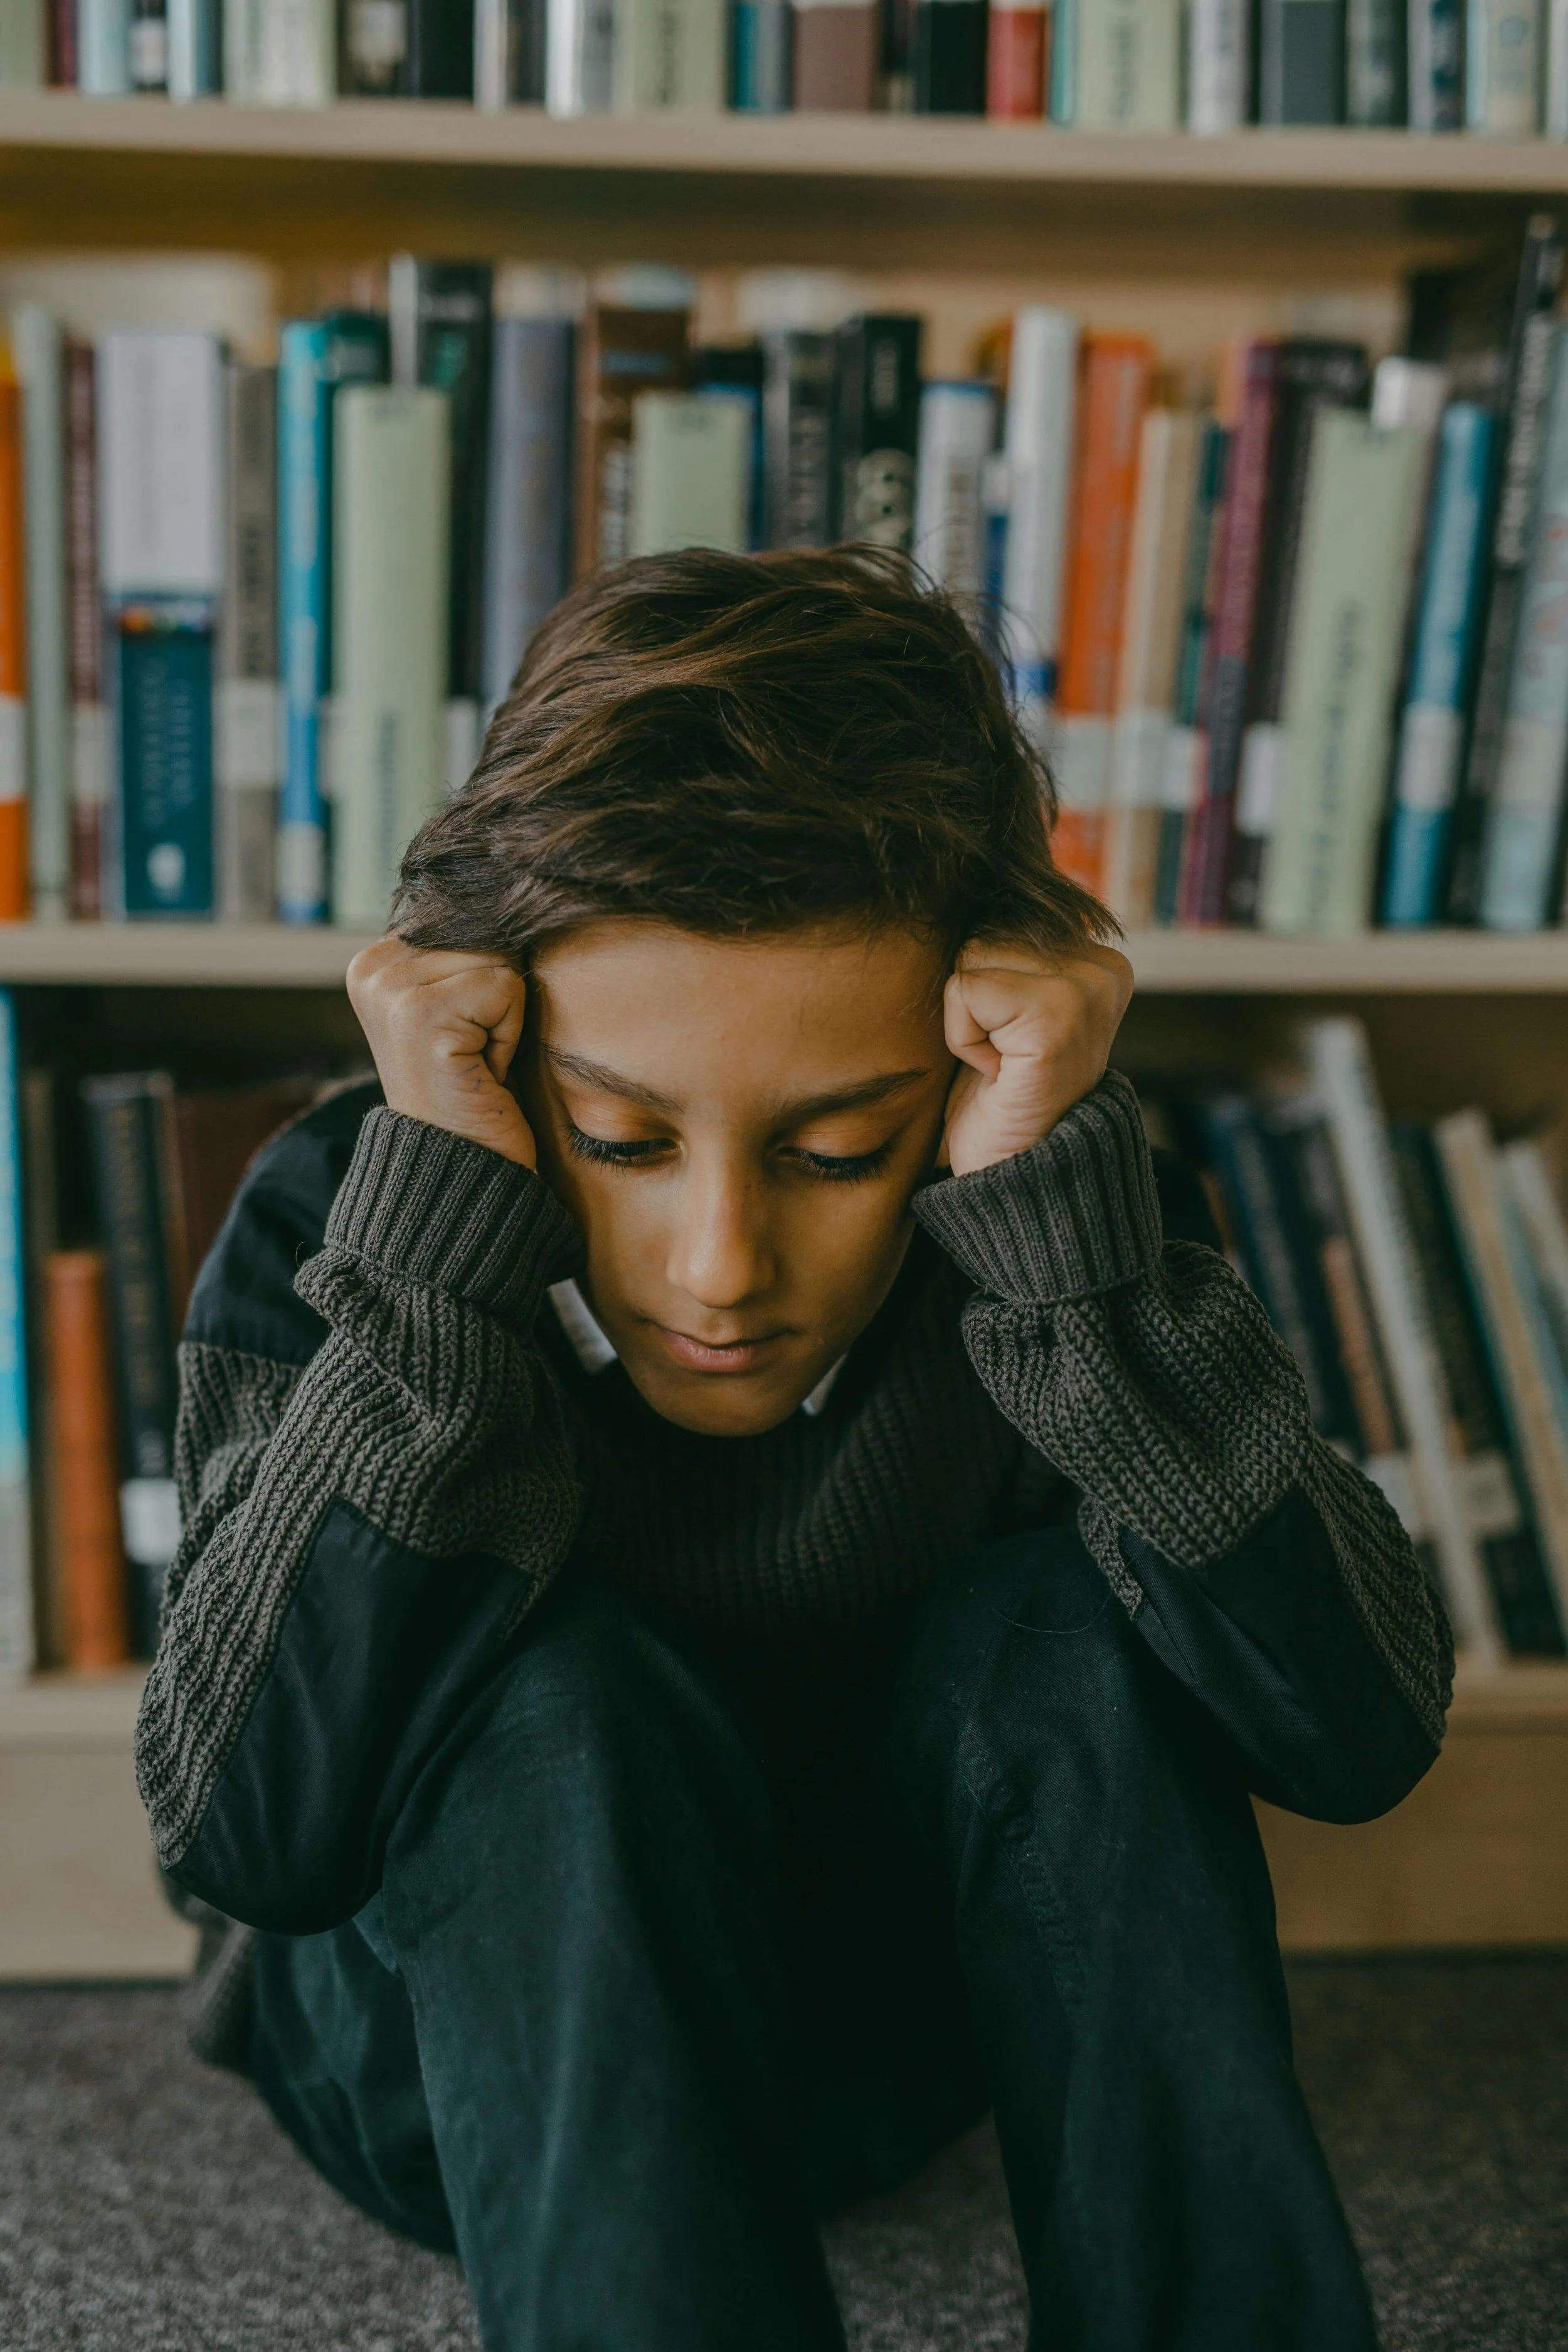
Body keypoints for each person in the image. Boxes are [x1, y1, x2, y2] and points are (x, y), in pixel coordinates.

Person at [139, 548, 1451, 2352]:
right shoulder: (349, 1213)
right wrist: (440, 1266)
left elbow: (1353, 1730)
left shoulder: (1054, 1200)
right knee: (559, 1689)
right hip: (432, 2075)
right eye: (616, 1138)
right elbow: (249, 1836)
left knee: (1063, 1633)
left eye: (837, 1154)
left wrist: (1063, 1251)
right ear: (503, 1052)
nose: (721, 1268)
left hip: (868, 2056)